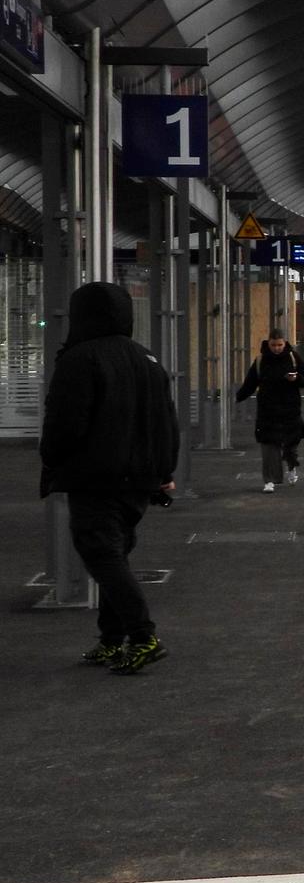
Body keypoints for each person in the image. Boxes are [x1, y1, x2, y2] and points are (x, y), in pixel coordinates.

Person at [37, 281, 179, 676]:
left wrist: (52, 460)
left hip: (96, 477)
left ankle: (142, 636)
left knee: (103, 556)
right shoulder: (147, 358)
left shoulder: (79, 359)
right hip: (139, 481)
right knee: (115, 557)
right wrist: (164, 471)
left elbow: (65, 423)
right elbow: (167, 422)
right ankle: (111, 639)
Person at [235, 329, 304, 492]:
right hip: (267, 409)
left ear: (285, 343)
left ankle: (291, 467)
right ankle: (269, 480)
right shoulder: (261, 360)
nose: (276, 348)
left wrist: (296, 378)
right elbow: (250, 383)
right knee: (269, 444)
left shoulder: (293, 358)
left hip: (290, 408)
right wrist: (237, 397)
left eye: (279, 345)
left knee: (291, 443)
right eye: (273, 345)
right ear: (268, 344)